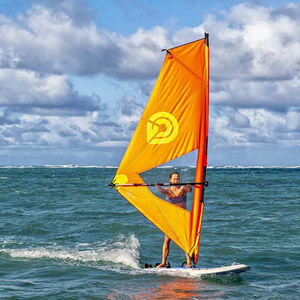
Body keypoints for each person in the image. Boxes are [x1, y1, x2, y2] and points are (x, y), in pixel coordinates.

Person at [155, 171, 192, 268]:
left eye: (178, 178)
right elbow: (162, 191)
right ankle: (163, 262)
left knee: (185, 239)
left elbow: (189, 189)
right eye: (174, 179)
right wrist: (158, 187)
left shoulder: (183, 188)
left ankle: (188, 262)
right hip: (171, 218)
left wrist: (189, 185)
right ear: (170, 180)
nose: (176, 180)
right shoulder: (168, 191)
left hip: (182, 217)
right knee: (167, 240)